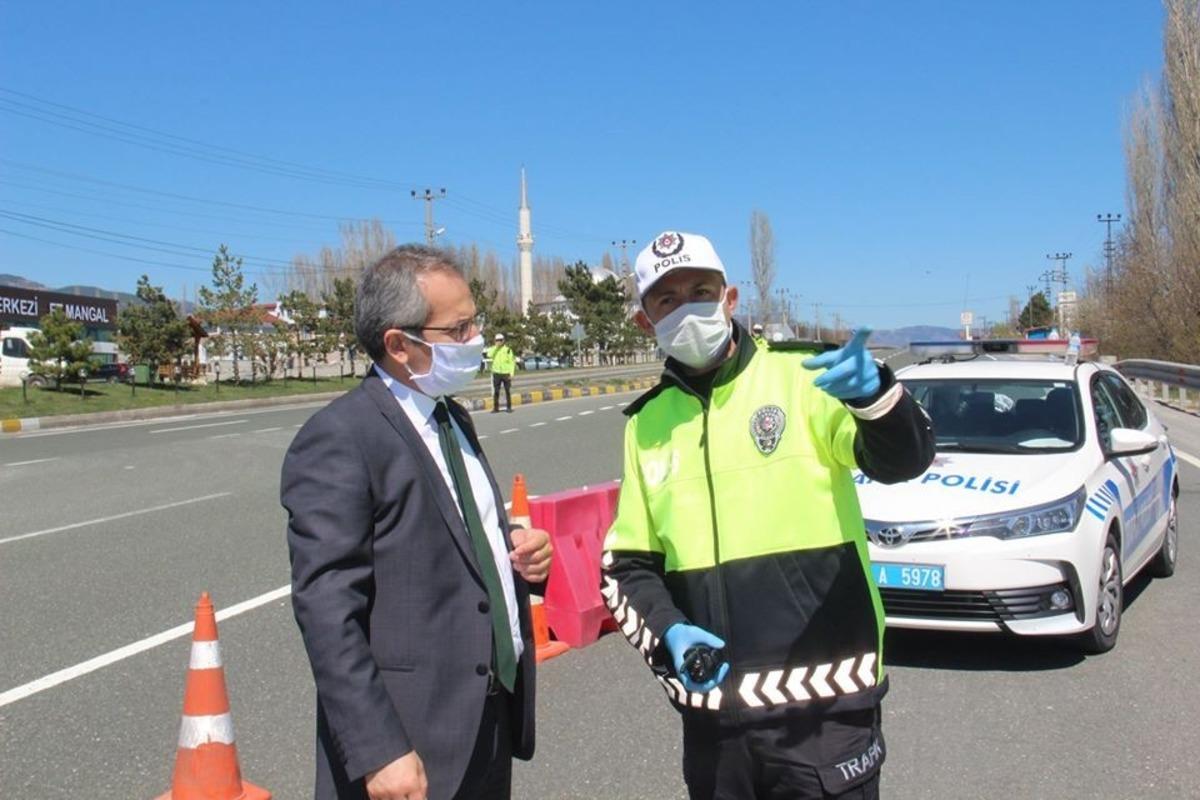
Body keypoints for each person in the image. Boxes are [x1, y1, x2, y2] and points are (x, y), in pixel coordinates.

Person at [601, 231, 935, 800]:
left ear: (730, 299)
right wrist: (668, 630)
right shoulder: (646, 424)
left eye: (701, 291)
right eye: (667, 300)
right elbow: (627, 565)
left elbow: (903, 460)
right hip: (713, 728)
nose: (687, 309)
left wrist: (875, 397)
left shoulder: (803, 376)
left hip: (825, 714)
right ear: (644, 322)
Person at [282, 244, 553, 800]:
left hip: (486, 718)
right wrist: (379, 750)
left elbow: (460, 537)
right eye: (458, 329)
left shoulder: (452, 418)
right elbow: (328, 610)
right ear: (400, 345)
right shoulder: (342, 438)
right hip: (408, 743)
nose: (476, 338)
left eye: (476, 320)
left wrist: (521, 553)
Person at [486, 333, 516, 413]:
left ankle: (509, 407)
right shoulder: (493, 349)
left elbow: (511, 362)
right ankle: (496, 408)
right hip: (496, 373)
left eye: (500, 340)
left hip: (506, 373)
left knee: (507, 391)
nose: (499, 342)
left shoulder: (508, 350)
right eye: (497, 340)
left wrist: (511, 373)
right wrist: (496, 347)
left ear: (503, 341)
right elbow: (489, 355)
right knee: (496, 391)